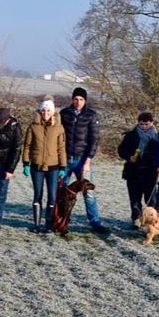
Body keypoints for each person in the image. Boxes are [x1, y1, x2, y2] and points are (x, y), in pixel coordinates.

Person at [59, 87, 109, 233]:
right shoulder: (64, 113)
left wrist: (88, 160)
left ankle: (95, 222)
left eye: (81, 99)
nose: (78, 102)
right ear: (72, 99)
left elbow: (94, 139)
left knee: (89, 193)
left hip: (82, 160)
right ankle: (58, 220)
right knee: (61, 192)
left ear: (85, 100)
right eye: (76, 99)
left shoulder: (91, 115)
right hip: (65, 159)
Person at [21, 96, 67, 232]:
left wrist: (63, 166)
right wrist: (26, 163)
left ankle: (48, 224)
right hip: (37, 166)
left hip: (53, 167)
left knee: (52, 196)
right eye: (43, 111)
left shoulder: (59, 128)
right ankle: (36, 224)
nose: (45, 113)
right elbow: (27, 146)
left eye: (48, 111)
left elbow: (61, 148)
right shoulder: (33, 127)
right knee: (38, 195)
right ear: (40, 111)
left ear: (52, 112)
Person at [117, 111, 159, 229]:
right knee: (135, 198)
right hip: (133, 171)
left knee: (151, 198)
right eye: (141, 124)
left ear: (152, 123)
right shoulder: (131, 135)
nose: (144, 127)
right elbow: (121, 150)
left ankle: (151, 221)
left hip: (150, 172)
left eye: (146, 124)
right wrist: (129, 157)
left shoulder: (158, 137)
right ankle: (136, 219)